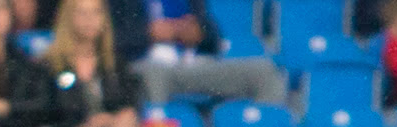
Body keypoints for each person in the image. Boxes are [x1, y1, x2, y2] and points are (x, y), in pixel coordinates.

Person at [109, 0, 286, 105]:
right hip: (143, 66)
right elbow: (104, 42)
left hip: (190, 64)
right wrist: (148, 34)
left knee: (263, 71)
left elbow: (213, 37)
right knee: (155, 74)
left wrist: (199, 31)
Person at [43, 0, 141, 127]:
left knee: (129, 121)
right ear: (68, 19)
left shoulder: (116, 65)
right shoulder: (50, 66)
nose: (90, 20)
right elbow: (44, 117)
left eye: (96, 13)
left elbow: (132, 107)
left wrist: (107, 121)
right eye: (82, 13)